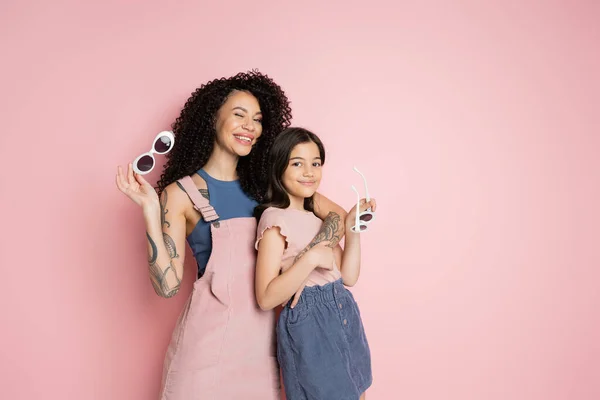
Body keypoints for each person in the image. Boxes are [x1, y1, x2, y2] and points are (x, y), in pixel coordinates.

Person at [115, 71, 347, 399]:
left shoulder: (272, 186)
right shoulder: (181, 194)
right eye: (239, 115)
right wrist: (151, 213)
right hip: (203, 355)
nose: (250, 126)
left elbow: (338, 216)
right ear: (212, 119)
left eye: (257, 119)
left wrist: (305, 264)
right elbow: (167, 287)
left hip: (264, 353)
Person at [254, 127, 375, 400]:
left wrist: (352, 229)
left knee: (358, 391)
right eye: (297, 163)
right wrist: (308, 260)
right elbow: (265, 297)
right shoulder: (274, 220)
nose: (309, 172)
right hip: (311, 323)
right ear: (278, 167)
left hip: (342, 309)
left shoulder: (318, 219)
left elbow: (348, 276)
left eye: (316, 163)